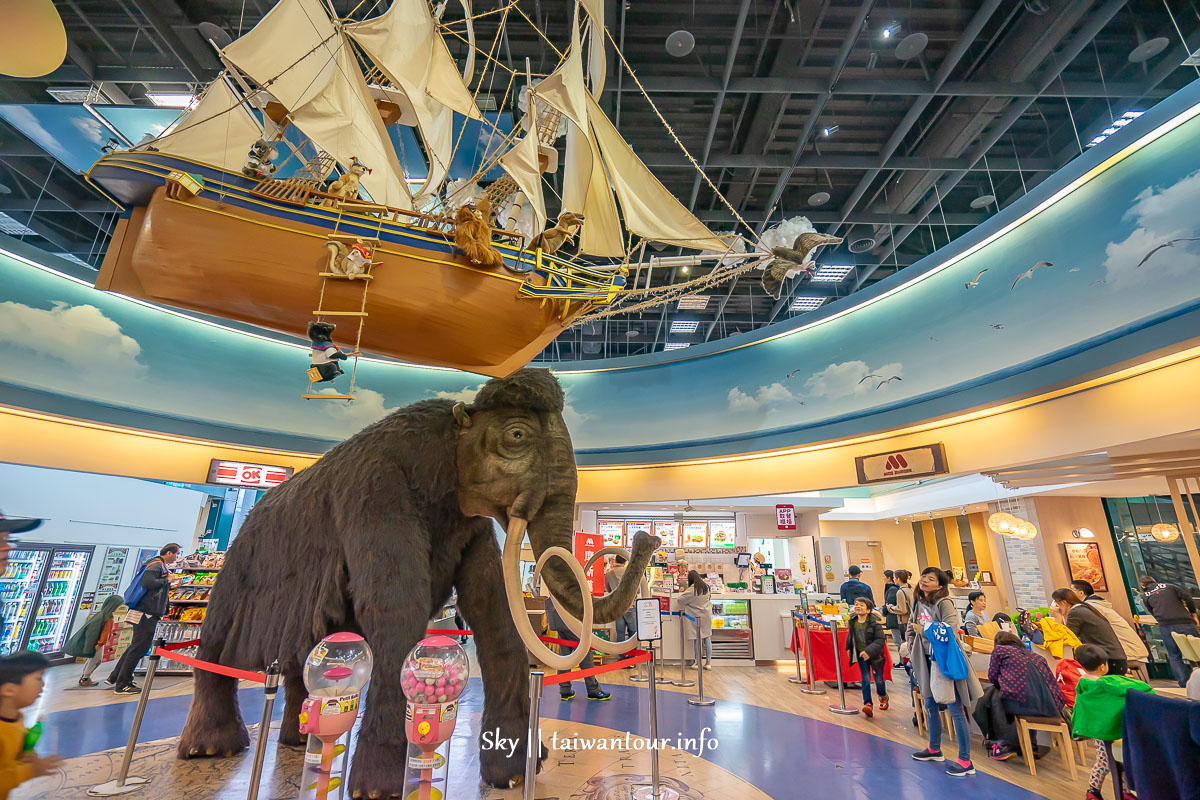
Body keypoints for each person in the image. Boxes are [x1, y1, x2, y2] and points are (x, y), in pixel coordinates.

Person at [907, 567, 982, 776]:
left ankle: (966, 760)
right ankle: (934, 748)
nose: (924, 581)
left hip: (944, 662)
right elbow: (910, 626)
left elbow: (949, 629)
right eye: (923, 576)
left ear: (940, 585)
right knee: (929, 703)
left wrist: (923, 631)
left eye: (930, 579)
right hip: (925, 660)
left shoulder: (944, 602)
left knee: (955, 708)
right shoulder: (918, 601)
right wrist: (912, 644)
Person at [977, 631, 1066, 761]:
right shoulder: (1037, 656)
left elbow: (992, 676)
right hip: (1052, 706)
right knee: (1023, 695)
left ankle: (1006, 743)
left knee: (996, 695)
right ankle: (1031, 744)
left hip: (1022, 704)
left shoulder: (1000, 650)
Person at [106, 544, 182, 693]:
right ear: (168, 553)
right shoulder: (156, 565)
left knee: (135, 646)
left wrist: (170, 585)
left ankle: (115, 676)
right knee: (139, 648)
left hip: (144, 611)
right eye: (176, 554)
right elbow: (147, 583)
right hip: (145, 613)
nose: (177, 557)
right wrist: (167, 581)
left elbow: (152, 587)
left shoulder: (157, 564)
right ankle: (123, 684)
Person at [0, 652, 62, 797]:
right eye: (38, 678)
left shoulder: (17, 717)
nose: (43, 684)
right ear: (9, 689)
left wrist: (27, 754)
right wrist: (29, 770)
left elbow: (15, 745)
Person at [1138, 574, 1199, 688]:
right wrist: (1193, 615)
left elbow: (1152, 611)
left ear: (1142, 585)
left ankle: (1184, 683)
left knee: (1174, 655)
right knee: (1197, 649)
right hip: (1185, 622)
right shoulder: (1170, 586)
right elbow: (1188, 598)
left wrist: (1161, 619)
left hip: (1166, 625)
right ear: (1154, 581)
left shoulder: (1146, 595)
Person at [1071, 580, 1148, 666]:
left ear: (1081, 593)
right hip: (1133, 650)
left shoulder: (1089, 607)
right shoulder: (1098, 604)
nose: (1070, 593)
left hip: (1124, 653)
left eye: (1072, 590)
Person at [544, 601, 610, 701]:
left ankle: (564, 690)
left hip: (559, 619)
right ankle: (593, 690)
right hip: (571, 619)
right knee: (585, 652)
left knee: (564, 656)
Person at [1051, 588, 1126, 675]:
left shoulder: (1076, 612)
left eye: (1056, 603)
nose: (1056, 607)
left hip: (1109, 660)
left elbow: (1068, 638)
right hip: (1114, 657)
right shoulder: (1084, 607)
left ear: (1063, 602)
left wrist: (1058, 617)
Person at [63, 594, 123, 687]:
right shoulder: (108, 618)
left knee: (92, 660)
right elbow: (104, 633)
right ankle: (85, 678)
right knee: (95, 661)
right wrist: (100, 643)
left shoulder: (100, 616)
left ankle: (84, 676)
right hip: (100, 644)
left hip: (97, 644)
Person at [845, 597, 888, 717]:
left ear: (868, 610)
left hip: (876, 657)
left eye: (861, 605)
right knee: (865, 678)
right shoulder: (853, 620)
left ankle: (883, 696)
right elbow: (850, 636)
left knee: (878, 679)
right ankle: (868, 703)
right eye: (856, 604)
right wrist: (849, 647)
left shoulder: (875, 623)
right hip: (860, 654)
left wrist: (868, 651)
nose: (858, 606)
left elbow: (880, 640)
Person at [678, 570, 713, 670]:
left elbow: (680, 600)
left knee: (697, 638)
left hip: (695, 617)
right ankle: (708, 663)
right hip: (706, 616)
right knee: (707, 638)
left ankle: (698, 663)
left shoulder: (692, 589)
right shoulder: (706, 587)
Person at [606, 556, 637, 646]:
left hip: (617, 607)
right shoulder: (631, 573)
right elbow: (637, 590)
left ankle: (622, 656)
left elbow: (608, 590)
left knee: (620, 633)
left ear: (615, 560)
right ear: (625, 562)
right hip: (630, 605)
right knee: (633, 632)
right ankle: (632, 654)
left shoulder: (609, 574)